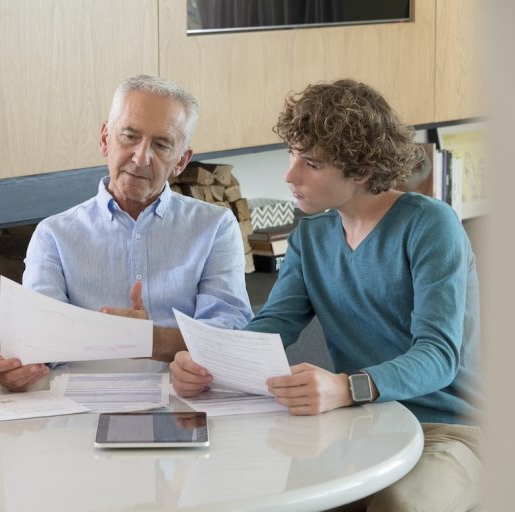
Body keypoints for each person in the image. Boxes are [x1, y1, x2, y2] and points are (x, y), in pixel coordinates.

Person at [170, 79, 482, 511]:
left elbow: (438, 355)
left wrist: (345, 387)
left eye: (311, 163)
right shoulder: (310, 237)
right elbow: (273, 326)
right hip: (365, 423)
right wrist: (210, 362)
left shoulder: (430, 225)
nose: (290, 174)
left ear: (362, 169)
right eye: (292, 154)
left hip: (449, 430)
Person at [0, 75, 252, 391]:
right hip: (80, 407)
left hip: (185, 402)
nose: (141, 157)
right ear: (105, 139)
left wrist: (149, 340)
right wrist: (15, 362)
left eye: (162, 144)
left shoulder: (215, 227)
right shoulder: (55, 234)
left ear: (181, 161)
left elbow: (228, 333)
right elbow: (35, 333)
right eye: (129, 136)